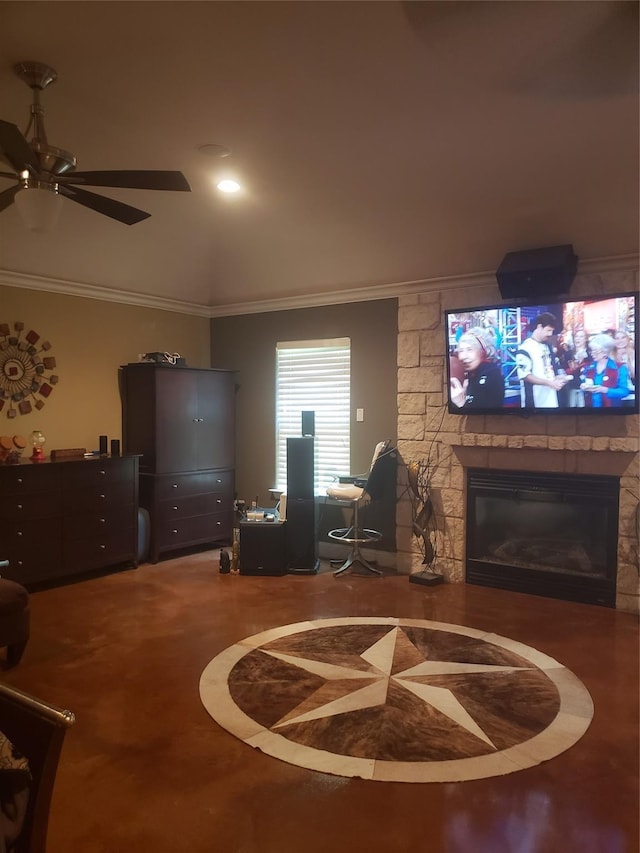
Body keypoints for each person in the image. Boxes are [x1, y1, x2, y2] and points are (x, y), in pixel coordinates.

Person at [515, 312, 573, 408]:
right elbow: (525, 375)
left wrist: (559, 377)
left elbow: (550, 369)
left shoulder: (548, 346)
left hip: (553, 398)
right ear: (539, 327)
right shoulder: (525, 348)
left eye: (552, 331)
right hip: (535, 400)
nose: (550, 334)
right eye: (548, 330)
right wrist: (549, 383)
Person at [449, 327, 504, 409]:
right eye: (461, 351)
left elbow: (485, 418)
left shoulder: (492, 374)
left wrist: (461, 403)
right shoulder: (470, 374)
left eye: (470, 350)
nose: (463, 356)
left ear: (484, 351)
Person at [580, 333, 631, 408]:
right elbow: (586, 383)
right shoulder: (588, 367)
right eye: (592, 351)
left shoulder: (619, 368)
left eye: (596, 351)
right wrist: (583, 386)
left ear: (605, 352)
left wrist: (605, 390)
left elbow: (624, 391)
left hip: (611, 412)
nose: (592, 354)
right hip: (590, 412)